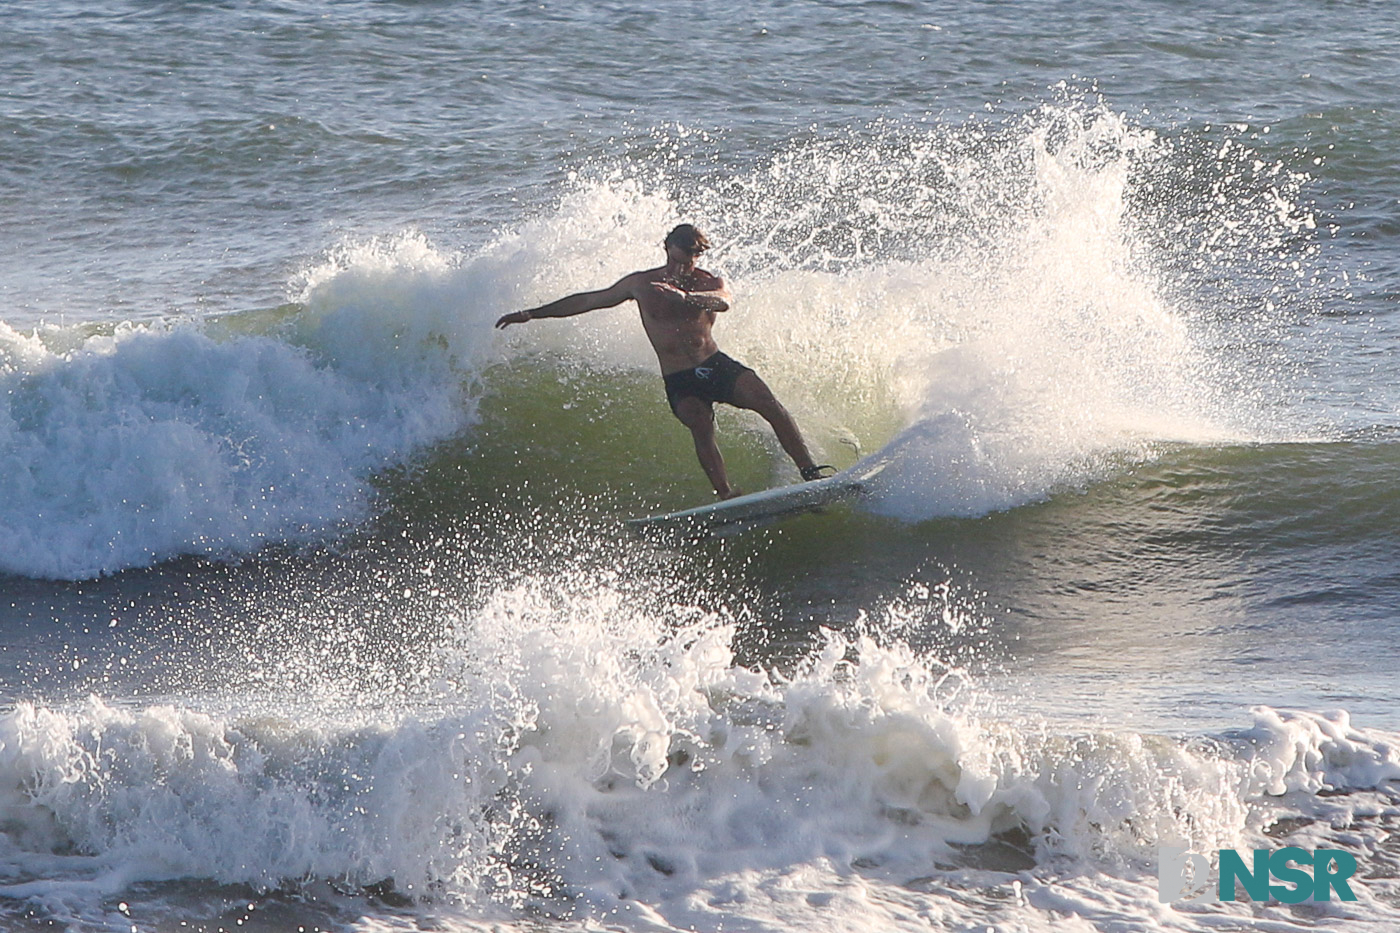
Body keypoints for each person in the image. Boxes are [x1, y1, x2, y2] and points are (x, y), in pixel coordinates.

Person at [495, 223, 830, 499]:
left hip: (714, 365)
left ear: (698, 258)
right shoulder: (642, 284)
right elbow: (590, 300)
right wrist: (532, 314)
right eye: (674, 260)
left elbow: (723, 302)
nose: (678, 269)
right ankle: (726, 494)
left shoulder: (708, 282)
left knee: (770, 404)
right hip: (679, 379)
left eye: (686, 263)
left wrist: (686, 297)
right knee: (701, 426)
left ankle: (810, 472)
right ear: (666, 248)